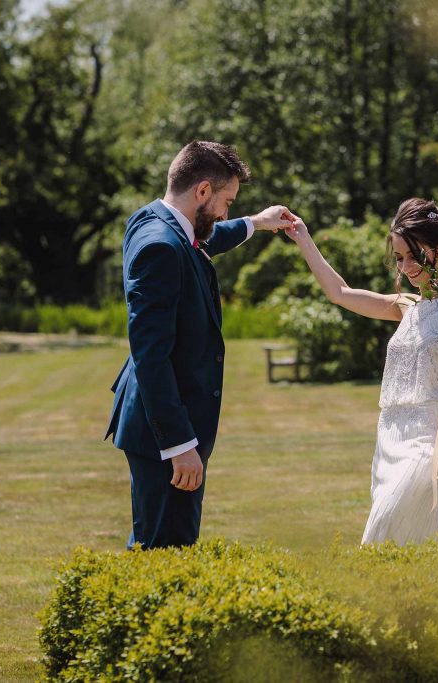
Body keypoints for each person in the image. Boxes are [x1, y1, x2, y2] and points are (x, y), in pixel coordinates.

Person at [104, 140, 295, 548]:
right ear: (203, 191)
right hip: (166, 432)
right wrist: (178, 445)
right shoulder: (161, 247)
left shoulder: (152, 221)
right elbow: (150, 356)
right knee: (165, 550)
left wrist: (256, 223)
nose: (226, 211)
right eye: (226, 200)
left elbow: (203, 238)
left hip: (160, 423)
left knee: (162, 543)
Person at [284, 198, 438, 545]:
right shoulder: (405, 306)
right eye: (400, 258)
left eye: (414, 256)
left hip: (429, 440)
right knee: (401, 545)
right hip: (389, 437)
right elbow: (340, 292)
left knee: (381, 532)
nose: (406, 266)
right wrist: (303, 238)